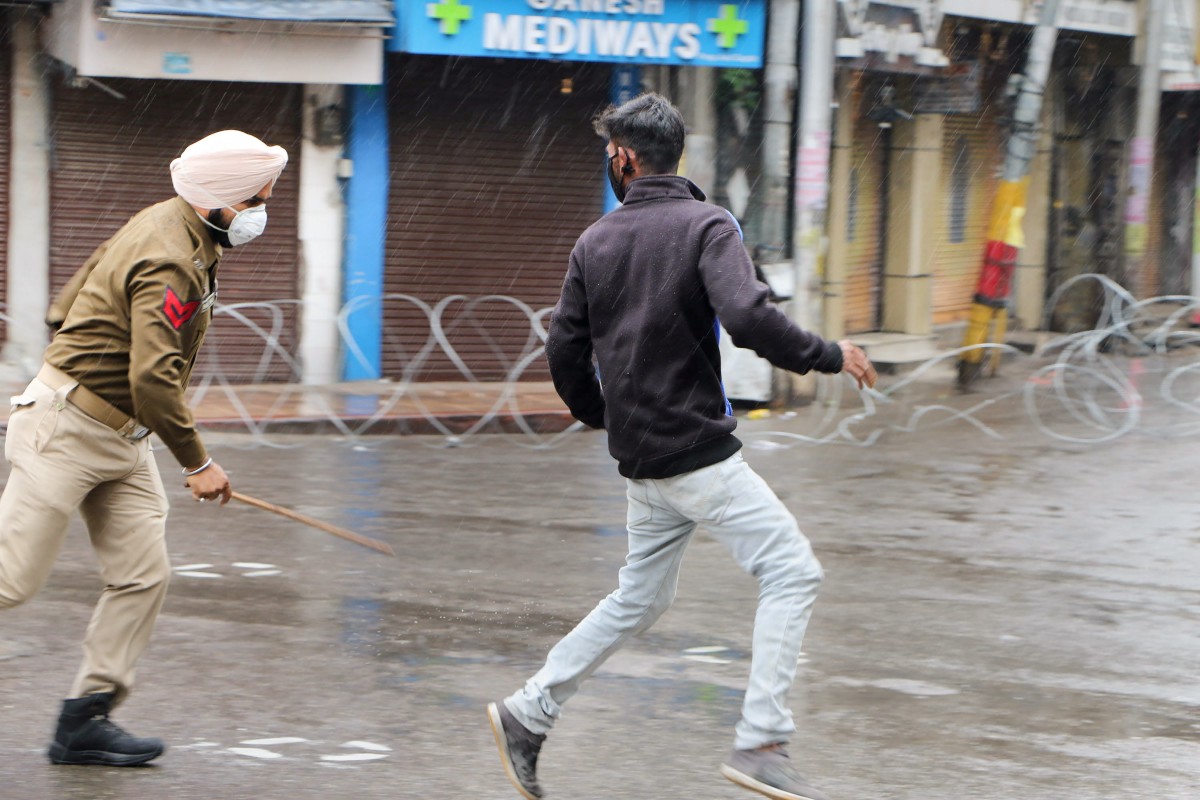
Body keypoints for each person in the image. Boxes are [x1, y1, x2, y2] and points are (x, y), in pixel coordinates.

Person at [486, 94, 876, 800]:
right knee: (793, 572)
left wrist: (607, 415)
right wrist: (828, 354)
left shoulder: (595, 241)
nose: (610, 165)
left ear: (625, 159)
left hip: (644, 458)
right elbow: (748, 316)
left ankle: (528, 712)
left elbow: (564, 352)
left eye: (610, 155)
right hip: (695, 453)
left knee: (640, 597)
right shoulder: (707, 225)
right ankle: (762, 742)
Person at [0, 130, 288, 766]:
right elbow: (153, 378)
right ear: (215, 199)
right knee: (11, 580)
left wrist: (88, 348)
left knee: (142, 576)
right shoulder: (172, 257)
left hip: (123, 436)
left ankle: (83, 721)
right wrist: (198, 463)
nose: (261, 214)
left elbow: (64, 305)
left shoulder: (172, 222)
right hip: (66, 430)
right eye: (254, 201)